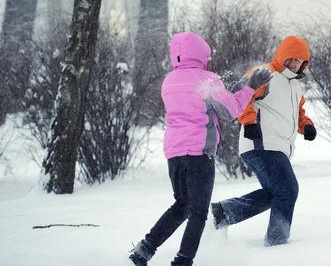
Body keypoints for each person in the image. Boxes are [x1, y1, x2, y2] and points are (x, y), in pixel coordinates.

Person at [129, 32, 272, 266]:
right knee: (198, 211)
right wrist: (252, 86)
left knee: (181, 205)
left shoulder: (170, 81)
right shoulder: (206, 79)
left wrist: (237, 87)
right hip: (199, 154)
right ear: (200, 54)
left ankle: (143, 250)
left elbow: (209, 101)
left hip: (175, 154)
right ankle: (183, 261)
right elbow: (230, 111)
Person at [210, 35, 317, 247]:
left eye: (298, 60)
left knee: (276, 193)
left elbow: (298, 111)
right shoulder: (265, 74)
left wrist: (306, 126)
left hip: (278, 147)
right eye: (290, 58)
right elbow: (240, 97)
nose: (293, 63)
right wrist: (248, 121)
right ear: (282, 55)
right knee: (288, 190)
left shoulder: (295, 85)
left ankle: (224, 212)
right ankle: (277, 242)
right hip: (260, 143)